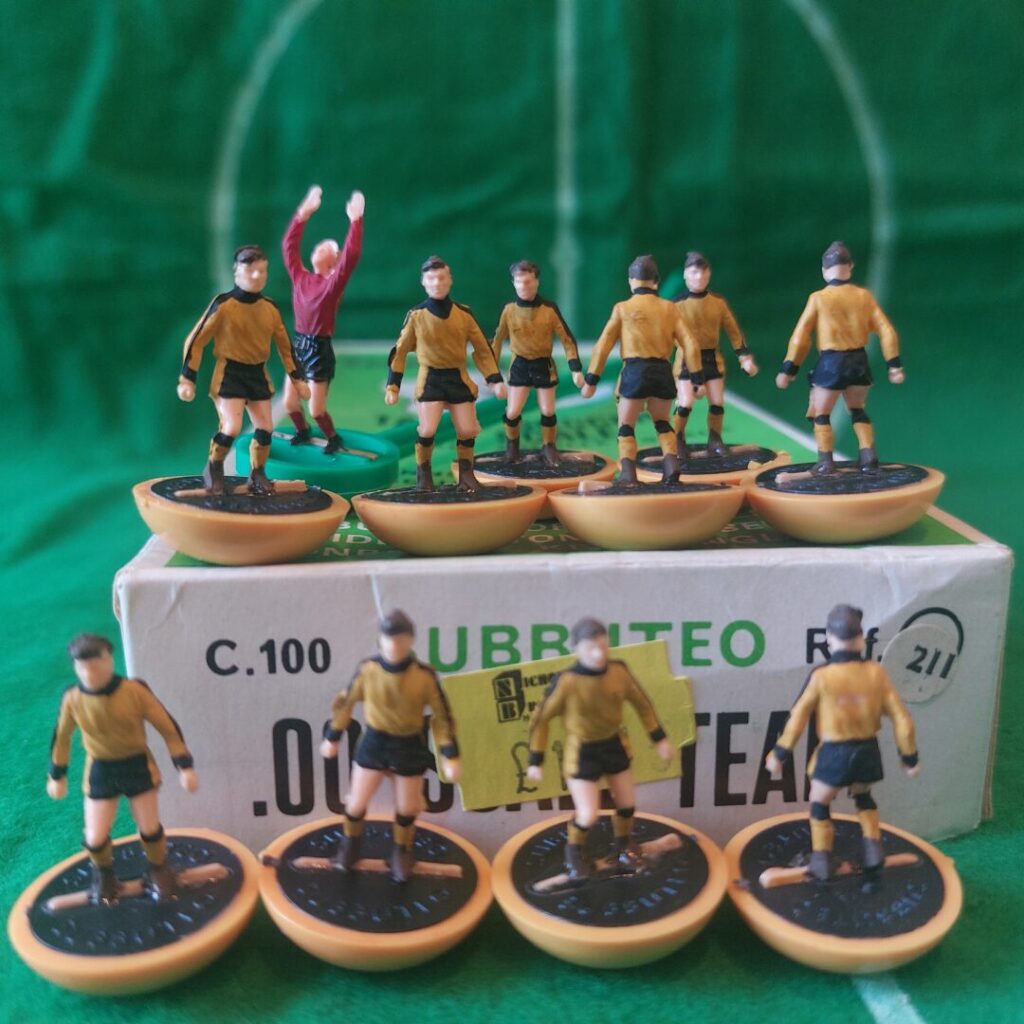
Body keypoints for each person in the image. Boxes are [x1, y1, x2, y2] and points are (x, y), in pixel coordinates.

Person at [765, 604, 919, 881]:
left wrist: (780, 752)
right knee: (863, 797)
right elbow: (901, 717)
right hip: (867, 753)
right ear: (861, 640)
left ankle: (822, 858)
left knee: (819, 803)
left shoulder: (822, 677)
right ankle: (873, 848)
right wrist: (909, 757)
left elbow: (798, 717)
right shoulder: (876, 673)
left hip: (835, 754)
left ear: (829, 638)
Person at [47, 634, 199, 903]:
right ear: (75, 667)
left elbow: (167, 727)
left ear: (109, 660)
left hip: (137, 766)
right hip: (101, 770)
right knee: (95, 837)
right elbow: (61, 738)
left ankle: (158, 870)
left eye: (96, 664)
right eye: (82, 666)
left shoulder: (134, 691)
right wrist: (57, 775)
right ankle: (104, 875)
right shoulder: (72, 699)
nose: (89, 672)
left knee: (150, 828)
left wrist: (184, 765)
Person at [526, 617, 673, 881]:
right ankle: (574, 852)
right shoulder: (567, 681)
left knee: (627, 804)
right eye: (591, 648)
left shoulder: (619, 672)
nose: (598, 654)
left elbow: (642, 704)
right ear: (576, 649)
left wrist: (659, 739)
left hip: (614, 745)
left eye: (603, 646)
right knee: (588, 814)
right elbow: (540, 719)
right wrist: (536, 758)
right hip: (582, 752)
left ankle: (623, 845)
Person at [320, 611, 460, 882]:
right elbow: (346, 703)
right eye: (389, 639)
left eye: (401, 639)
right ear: (380, 640)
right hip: (374, 743)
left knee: (408, 807)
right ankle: (349, 847)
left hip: (408, 746)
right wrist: (332, 736)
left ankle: (402, 852)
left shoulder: (424, 676)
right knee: (356, 802)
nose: (394, 645)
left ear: (411, 641)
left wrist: (450, 754)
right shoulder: (368, 670)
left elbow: (443, 716)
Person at [178, 245, 309, 495]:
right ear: (237, 271)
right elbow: (196, 340)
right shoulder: (224, 305)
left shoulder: (270, 308)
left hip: (258, 375)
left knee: (265, 429)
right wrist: (188, 377)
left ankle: (257, 474)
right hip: (230, 375)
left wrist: (298, 378)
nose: (257, 276)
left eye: (262, 270)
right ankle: (214, 468)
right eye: (251, 270)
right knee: (231, 428)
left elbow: (285, 347)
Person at [775, 241, 903, 473]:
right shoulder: (864, 296)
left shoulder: (819, 298)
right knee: (857, 409)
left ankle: (826, 461)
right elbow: (887, 330)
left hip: (832, 363)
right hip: (859, 362)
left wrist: (789, 369)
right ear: (850, 267)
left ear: (824, 270)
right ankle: (868, 455)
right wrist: (894, 365)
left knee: (821, 414)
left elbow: (800, 337)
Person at [385, 256, 507, 491]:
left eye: (441, 278)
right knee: (428, 430)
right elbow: (399, 352)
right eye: (431, 278)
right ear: (423, 282)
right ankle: (424, 478)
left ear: (450, 280)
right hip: (430, 380)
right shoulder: (416, 316)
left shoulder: (464, 314)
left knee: (467, 430)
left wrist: (494, 379)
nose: (437, 283)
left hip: (458, 379)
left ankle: (466, 476)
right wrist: (393, 385)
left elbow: (482, 349)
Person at [581, 255, 703, 483]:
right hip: (662, 372)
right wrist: (697, 377)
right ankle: (671, 465)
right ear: (656, 281)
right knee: (663, 423)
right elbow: (690, 343)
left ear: (631, 281)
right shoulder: (669, 308)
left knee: (626, 426)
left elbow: (603, 345)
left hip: (635, 373)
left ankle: (628, 474)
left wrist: (591, 379)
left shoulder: (622, 308)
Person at [281, 185, 364, 454]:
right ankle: (302, 431)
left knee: (316, 409)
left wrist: (356, 221)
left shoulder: (332, 285)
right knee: (289, 403)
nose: (318, 247)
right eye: (318, 246)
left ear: (334, 259)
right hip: (298, 345)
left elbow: (351, 256)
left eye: (325, 247)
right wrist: (302, 214)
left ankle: (332, 437)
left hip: (319, 349)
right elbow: (289, 247)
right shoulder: (300, 277)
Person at [490, 260, 583, 465]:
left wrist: (575, 368)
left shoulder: (549, 309)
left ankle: (549, 446)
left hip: (543, 365)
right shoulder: (509, 311)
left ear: (536, 282)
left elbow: (567, 339)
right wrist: (492, 375)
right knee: (512, 412)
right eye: (519, 282)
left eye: (528, 282)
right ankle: (512, 447)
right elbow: (496, 341)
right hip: (520, 366)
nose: (524, 286)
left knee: (548, 411)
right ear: (513, 283)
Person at [671, 251, 757, 455]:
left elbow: (733, 330)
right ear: (685, 274)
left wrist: (744, 357)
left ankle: (715, 439)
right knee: (685, 403)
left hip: (712, 359)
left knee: (717, 403)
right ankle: (677, 439)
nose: (699, 277)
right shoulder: (676, 305)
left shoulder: (718, 303)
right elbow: (668, 333)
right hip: (686, 361)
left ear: (709, 274)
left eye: (703, 272)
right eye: (694, 272)